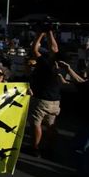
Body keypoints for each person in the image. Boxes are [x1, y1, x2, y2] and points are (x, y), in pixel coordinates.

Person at [27, 30, 61, 158]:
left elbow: (34, 49)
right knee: (51, 125)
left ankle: (35, 147)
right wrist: (50, 32)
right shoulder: (57, 64)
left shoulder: (44, 64)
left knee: (36, 123)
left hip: (42, 99)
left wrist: (40, 33)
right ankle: (50, 148)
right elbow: (55, 48)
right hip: (55, 99)